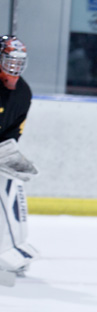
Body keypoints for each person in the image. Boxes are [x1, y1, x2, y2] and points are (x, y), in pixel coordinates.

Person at [0, 35, 38, 287]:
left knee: (13, 184)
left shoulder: (23, 93)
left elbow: (14, 130)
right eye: (9, 60)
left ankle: (16, 249)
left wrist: (9, 153)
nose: (14, 66)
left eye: (18, 61)